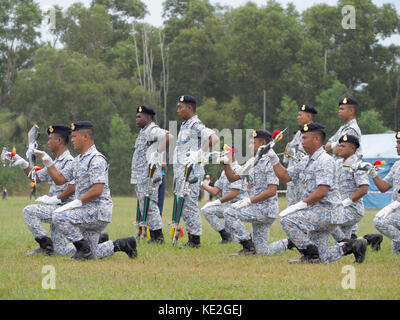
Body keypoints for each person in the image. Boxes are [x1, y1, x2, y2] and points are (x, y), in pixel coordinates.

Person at [266, 123, 368, 264]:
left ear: (316, 139)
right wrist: (274, 159)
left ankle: (309, 253)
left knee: (287, 219)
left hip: (327, 211)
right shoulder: (307, 160)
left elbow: (322, 191)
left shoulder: (324, 161)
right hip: (318, 211)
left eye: (305, 138)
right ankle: (351, 246)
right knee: (322, 257)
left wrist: (299, 206)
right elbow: (284, 177)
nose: (301, 142)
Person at [34, 121, 136, 260]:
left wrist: (74, 203)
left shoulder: (96, 159)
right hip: (86, 211)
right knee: (94, 253)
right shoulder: (78, 160)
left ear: (86, 137)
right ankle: (123, 244)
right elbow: (59, 179)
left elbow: (97, 190)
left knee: (58, 217)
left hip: (97, 210)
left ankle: (83, 250)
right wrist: (47, 161)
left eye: (75, 136)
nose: (72, 140)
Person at [8, 124, 80, 256]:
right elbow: (35, 178)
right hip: (56, 206)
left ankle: (45, 245)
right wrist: (23, 163)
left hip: (64, 207)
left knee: (29, 211)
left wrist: (55, 199)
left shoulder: (69, 161)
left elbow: (73, 187)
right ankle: (95, 242)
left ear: (59, 141)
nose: (47, 143)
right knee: (60, 251)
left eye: (50, 139)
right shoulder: (55, 162)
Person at [222, 130, 292, 256]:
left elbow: (272, 191)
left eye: (252, 143)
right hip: (257, 208)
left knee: (229, 213)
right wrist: (226, 164)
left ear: (263, 143)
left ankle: (247, 245)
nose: (249, 146)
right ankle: (290, 243)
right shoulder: (253, 161)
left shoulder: (271, 162)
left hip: (265, 209)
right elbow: (233, 178)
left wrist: (249, 200)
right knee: (262, 252)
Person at [173, 95, 219, 248]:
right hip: (183, 172)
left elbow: (214, 138)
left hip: (191, 173)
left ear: (190, 108)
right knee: (185, 206)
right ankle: (191, 237)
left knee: (190, 206)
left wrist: (200, 153)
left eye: (181, 107)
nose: (178, 110)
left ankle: (195, 240)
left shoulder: (195, 125)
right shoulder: (185, 125)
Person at [332, 134, 382, 250]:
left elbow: (363, 189)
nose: (340, 148)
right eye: (339, 145)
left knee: (328, 220)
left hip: (352, 209)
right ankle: (367, 241)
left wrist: (344, 203)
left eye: (343, 146)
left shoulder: (358, 165)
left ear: (352, 149)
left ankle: (354, 246)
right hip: (341, 208)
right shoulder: (338, 163)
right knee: (340, 247)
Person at [130, 105, 172, 243]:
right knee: (146, 206)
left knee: (150, 206)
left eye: (139, 117)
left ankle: (158, 237)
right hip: (142, 175)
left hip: (149, 175)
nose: (136, 119)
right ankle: (155, 236)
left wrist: (157, 153)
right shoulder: (144, 131)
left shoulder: (152, 129)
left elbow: (168, 136)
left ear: (148, 118)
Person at [325, 97, 362, 239]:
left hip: (347, 171)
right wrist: (334, 145)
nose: (339, 111)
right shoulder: (343, 128)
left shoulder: (352, 129)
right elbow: (327, 146)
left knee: (339, 214)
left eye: (342, 109)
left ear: (351, 110)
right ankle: (354, 243)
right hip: (340, 169)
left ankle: (351, 242)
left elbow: (335, 149)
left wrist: (335, 145)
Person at [200, 145, 247, 244]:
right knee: (206, 210)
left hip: (237, 206)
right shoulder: (224, 172)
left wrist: (217, 201)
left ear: (233, 154)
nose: (223, 155)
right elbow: (215, 191)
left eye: (226, 152)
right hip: (226, 206)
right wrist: (202, 184)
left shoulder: (238, 169)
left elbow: (234, 193)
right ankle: (225, 235)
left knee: (235, 240)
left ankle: (229, 237)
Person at [367, 131, 400, 254]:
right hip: (396, 211)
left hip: (396, 208)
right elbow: (384, 187)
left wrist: (394, 205)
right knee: (396, 255)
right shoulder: (397, 165)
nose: (396, 146)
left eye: (399, 143)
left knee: (379, 221)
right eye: (396, 142)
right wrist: (374, 175)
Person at [283, 104, 317, 205]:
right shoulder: (299, 133)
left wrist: (291, 153)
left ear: (309, 116)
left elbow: (302, 153)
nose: (298, 117)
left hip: (303, 176)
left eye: (300, 115)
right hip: (294, 175)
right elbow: (289, 153)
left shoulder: (313, 132)